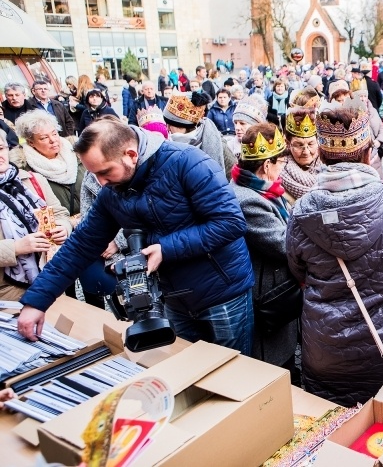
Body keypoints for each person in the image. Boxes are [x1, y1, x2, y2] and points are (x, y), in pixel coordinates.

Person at [16, 119, 255, 354]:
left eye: (105, 172)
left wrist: (166, 249)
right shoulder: (112, 191)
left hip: (223, 295)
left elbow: (231, 223)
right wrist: (37, 300)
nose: (101, 182)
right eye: (94, 174)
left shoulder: (188, 161)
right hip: (173, 300)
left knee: (233, 373)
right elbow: (80, 246)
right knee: (190, 371)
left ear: (131, 154)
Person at [286, 102, 383, 405]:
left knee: (334, 430)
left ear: (321, 153)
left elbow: (297, 270)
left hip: (326, 349)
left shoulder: (302, 211)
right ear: (368, 153)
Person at [230, 123, 298, 373]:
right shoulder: (248, 200)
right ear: (267, 165)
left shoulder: (262, 189)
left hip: (273, 283)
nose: (284, 168)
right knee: (274, 362)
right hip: (266, 291)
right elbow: (283, 244)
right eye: (281, 162)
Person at [0, 129, 71, 301]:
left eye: (1, 148)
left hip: (50, 278)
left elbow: (60, 213)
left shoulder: (32, 179)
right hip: (8, 293)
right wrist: (16, 248)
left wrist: (63, 228)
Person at [163, 91, 236, 179]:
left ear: (183, 125)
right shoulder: (167, 147)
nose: (167, 129)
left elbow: (234, 178)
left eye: (170, 124)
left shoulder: (218, 145)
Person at [280, 108, 321, 204]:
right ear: (287, 143)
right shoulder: (276, 171)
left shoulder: (330, 167)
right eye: (299, 145)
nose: (306, 152)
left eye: (311, 144)